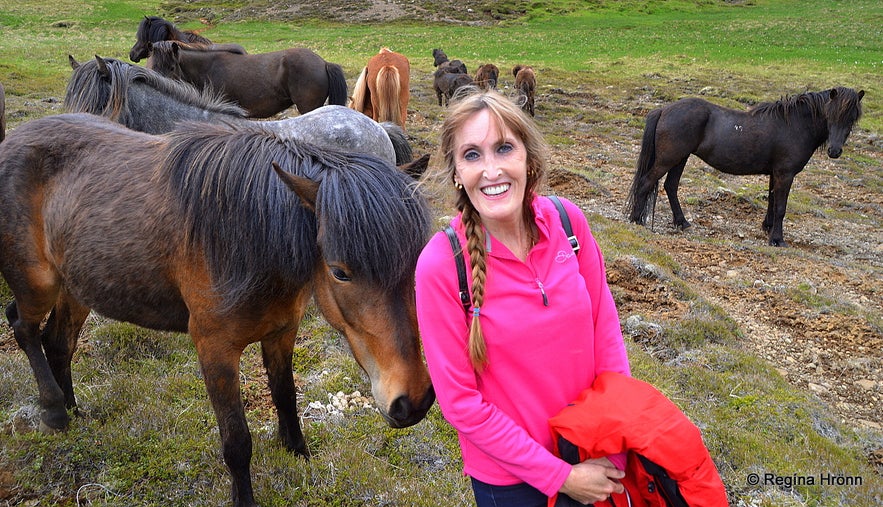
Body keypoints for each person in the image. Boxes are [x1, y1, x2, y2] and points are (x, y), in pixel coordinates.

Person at [415, 88, 632, 506]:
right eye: (472, 155)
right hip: (512, 482)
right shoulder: (441, 265)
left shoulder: (569, 223)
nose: (491, 170)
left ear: (528, 160)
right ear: (457, 172)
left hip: (595, 454)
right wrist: (561, 477)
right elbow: (461, 405)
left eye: (504, 148)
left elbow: (606, 336)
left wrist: (612, 442)